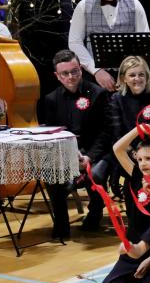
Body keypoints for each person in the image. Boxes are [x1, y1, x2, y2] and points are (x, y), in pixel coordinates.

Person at [39, 49, 111, 237]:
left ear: (81, 68)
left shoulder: (98, 93)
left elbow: (105, 133)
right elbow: (53, 134)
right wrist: (69, 156)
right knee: (51, 174)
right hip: (67, 153)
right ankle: (61, 223)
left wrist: (89, 157)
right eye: (65, 73)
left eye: (75, 71)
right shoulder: (51, 99)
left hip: (96, 152)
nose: (71, 77)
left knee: (96, 175)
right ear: (57, 76)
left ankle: (95, 212)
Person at [97, 124, 150, 283]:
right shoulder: (137, 175)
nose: (143, 163)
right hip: (133, 248)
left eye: (148, 159)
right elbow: (118, 149)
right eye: (140, 159)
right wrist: (139, 129)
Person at [68, 0, 149, 92]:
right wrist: (96, 71)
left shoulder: (135, 5)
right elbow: (74, 42)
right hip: (94, 77)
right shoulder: (83, 6)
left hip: (128, 77)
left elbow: (144, 43)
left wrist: (129, 74)